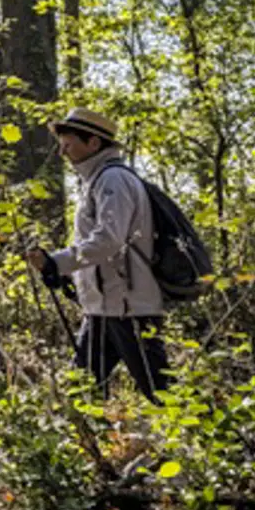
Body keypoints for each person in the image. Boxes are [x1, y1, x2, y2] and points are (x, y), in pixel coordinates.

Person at [27, 109, 170, 402]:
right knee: (82, 390)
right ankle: (86, 445)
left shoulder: (113, 180)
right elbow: (100, 246)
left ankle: (217, 445)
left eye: (68, 143)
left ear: (93, 143)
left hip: (130, 309)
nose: (62, 151)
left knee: (164, 393)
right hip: (104, 308)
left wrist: (57, 261)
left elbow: (108, 240)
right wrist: (67, 274)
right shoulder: (95, 181)